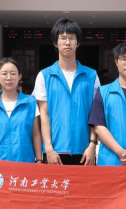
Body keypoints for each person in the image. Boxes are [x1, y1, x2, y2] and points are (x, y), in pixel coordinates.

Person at [33, 18, 100, 165]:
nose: (67, 42)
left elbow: (95, 113)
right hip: (54, 152)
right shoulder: (44, 76)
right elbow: (44, 114)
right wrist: (48, 148)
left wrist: (92, 144)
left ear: (78, 42)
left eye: (71, 38)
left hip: (84, 151)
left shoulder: (91, 76)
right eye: (63, 38)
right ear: (55, 43)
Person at [0, 57, 42, 163]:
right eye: (4, 74)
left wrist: (39, 160)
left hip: (24, 161)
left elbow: (36, 134)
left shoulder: (30, 102)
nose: (9, 78)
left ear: (19, 77)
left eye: (13, 74)